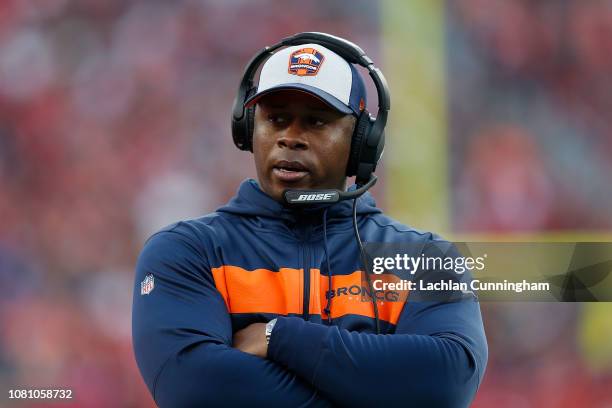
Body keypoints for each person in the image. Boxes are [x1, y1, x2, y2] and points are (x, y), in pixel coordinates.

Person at [132, 33, 487, 407]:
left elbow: (447, 381)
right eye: (277, 119)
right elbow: (195, 389)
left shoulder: (425, 259)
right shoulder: (189, 251)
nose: (290, 138)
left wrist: (278, 337)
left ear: (362, 141)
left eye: (316, 122)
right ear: (249, 129)